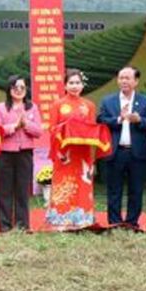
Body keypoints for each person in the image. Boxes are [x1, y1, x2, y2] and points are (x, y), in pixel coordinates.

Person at [46, 69, 111, 231]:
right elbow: (51, 129)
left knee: (83, 183)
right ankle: (61, 219)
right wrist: (66, 128)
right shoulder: (57, 104)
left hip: (83, 154)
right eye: (71, 83)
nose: (74, 86)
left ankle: (83, 218)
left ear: (82, 85)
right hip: (64, 153)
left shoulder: (89, 105)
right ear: (65, 85)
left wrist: (92, 156)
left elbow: (91, 131)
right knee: (63, 183)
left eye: (77, 83)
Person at [97, 66, 146, 229]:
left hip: (137, 152)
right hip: (116, 151)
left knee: (136, 189)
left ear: (136, 81)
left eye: (127, 78)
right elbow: (100, 120)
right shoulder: (108, 101)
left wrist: (139, 120)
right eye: (121, 78)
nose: (124, 81)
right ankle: (114, 221)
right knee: (114, 189)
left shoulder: (145, 101)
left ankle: (132, 222)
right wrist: (118, 119)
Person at [0, 75, 43, 232]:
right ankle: (5, 226)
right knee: (4, 191)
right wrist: (14, 126)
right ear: (9, 89)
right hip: (5, 153)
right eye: (15, 87)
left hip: (25, 153)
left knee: (22, 190)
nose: (19, 90)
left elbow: (39, 131)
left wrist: (26, 124)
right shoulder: (0, 107)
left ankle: (22, 225)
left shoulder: (32, 107)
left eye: (22, 87)